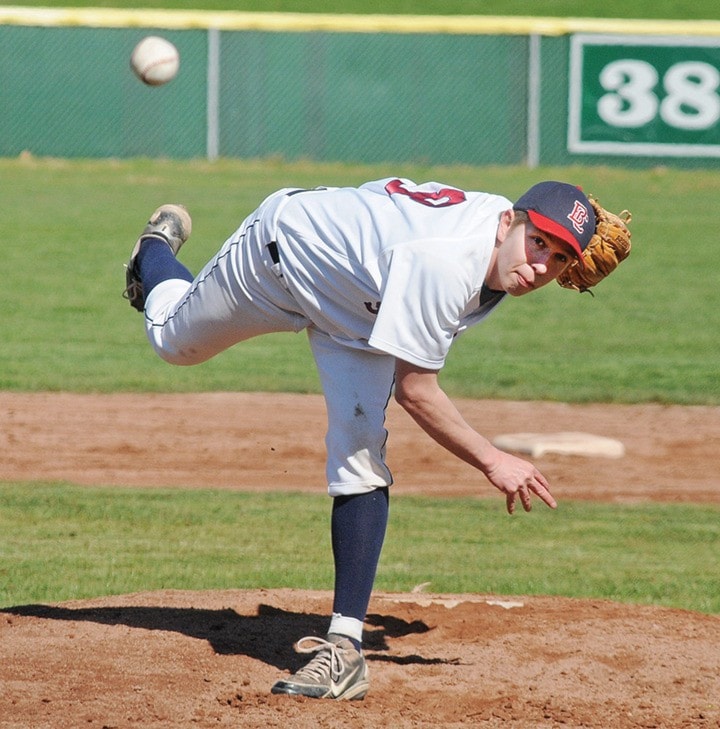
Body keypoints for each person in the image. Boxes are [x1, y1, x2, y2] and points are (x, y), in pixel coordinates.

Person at [123, 176, 598, 701]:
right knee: (172, 341)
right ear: (508, 221)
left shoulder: (498, 254)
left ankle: (344, 650)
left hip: (363, 311)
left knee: (360, 452)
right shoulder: (445, 262)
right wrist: (492, 460)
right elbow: (416, 392)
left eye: (559, 259)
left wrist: (574, 226)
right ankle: (154, 250)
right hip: (281, 258)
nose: (540, 267)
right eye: (538, 243)